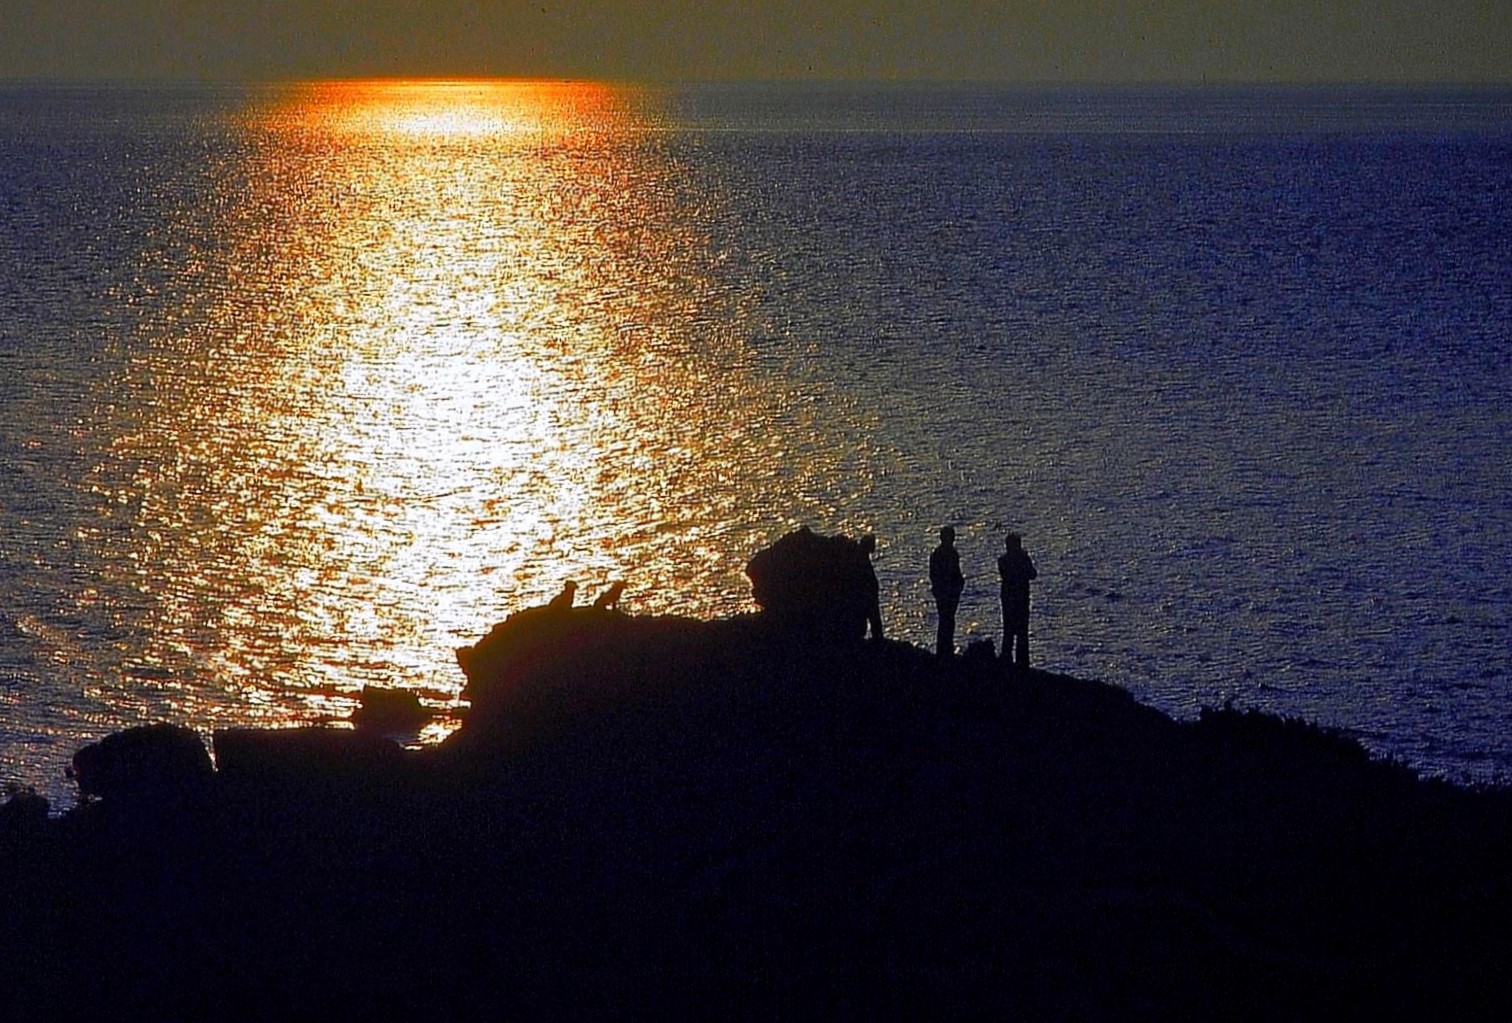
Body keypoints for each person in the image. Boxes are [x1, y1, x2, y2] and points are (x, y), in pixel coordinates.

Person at [997, 533, 1037, 671]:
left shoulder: (1003, 561)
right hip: (1020, 599)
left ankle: (1006, 659)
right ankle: (1022, 663)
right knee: (1021, 633)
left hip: (1008, 599)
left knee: (1008, 631)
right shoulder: (1022, 560)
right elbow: (1032, 574)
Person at [929, 527, 964, 658]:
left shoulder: (951, 554)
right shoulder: (939, 555)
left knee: (948, 620)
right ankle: (943, 650)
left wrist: (959, 584)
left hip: (951, 592)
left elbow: (956, 572)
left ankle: (946, 648)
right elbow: (934, 575)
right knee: (945, 620)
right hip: (945, 592)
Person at [858, 534, 883, 641]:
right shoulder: (862, 560)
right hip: (867, 597)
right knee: (874, 621)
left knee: (874, 622)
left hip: (868, 596)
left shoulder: (862, 558)